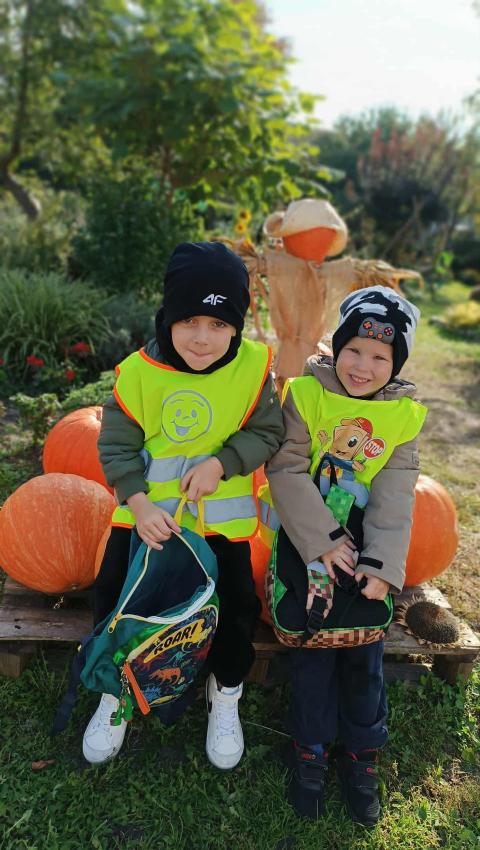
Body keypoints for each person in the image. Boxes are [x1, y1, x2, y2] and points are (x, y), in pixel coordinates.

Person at [83, 241, 284, 768]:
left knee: (236, 609)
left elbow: (267, 432)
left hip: (222, 527)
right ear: (167, 316)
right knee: (115, 597)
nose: (202, 337)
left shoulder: (253, 370)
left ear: (236, 327)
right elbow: (116, 447)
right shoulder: (138, 374)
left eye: (218, 324)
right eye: (189, 320)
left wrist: (223, 463)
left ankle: (226, 690)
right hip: (146, 520)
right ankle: (116, 690)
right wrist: (139, 504)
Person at [266, 286, 427, 825]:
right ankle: (309, 749)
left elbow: (395, 497)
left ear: (395, 364)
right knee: (312, 652)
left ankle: (362, 753)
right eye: (353, 350)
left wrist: (381, 566)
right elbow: (286, 469)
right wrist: (325, 540)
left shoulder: (402, 418)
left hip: (365, 551)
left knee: (364, 656)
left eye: (380, 357)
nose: (362, 366)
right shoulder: (306, 395)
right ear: (336, 348)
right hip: (308, 538)